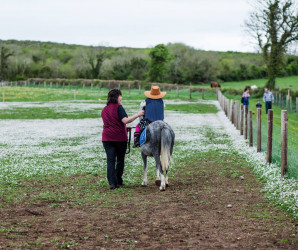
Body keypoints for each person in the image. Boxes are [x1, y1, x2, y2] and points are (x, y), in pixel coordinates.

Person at [101, 89, 144, 189]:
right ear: (116, 97)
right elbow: (125, 120)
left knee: (110, 160)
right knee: (120, 160)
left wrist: (124, 127)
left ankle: (112, 183)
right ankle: (118, 180)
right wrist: (138, 114)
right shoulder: (119, 107)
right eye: (120, 96)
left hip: (107, 138)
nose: (121, 98)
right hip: (119, 138)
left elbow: (112, 122)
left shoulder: (104, 109)